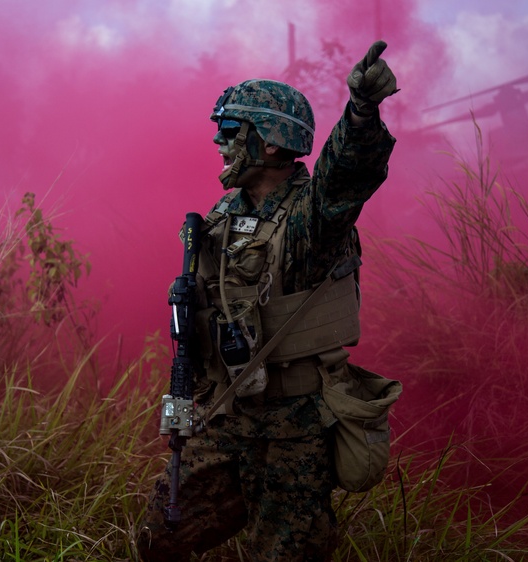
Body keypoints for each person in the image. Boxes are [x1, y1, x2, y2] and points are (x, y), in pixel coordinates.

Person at [136, 40, 399, 561]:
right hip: (224, 416)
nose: (219, 142)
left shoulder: (312, 216)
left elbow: (346, 173)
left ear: (273, 145)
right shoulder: (224, 213)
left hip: (292, 430)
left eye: (231, 132)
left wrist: (362, 113)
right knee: (158, 539)